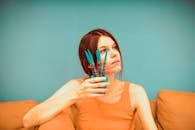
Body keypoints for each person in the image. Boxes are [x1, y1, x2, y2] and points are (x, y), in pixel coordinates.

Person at [23, 28, 157, 130]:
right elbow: (28, 121)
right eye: (104, 51)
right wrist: (76, 94)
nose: (114, 53)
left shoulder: (136, 92)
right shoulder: (78, 87)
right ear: (89, 63)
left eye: (114, 47)